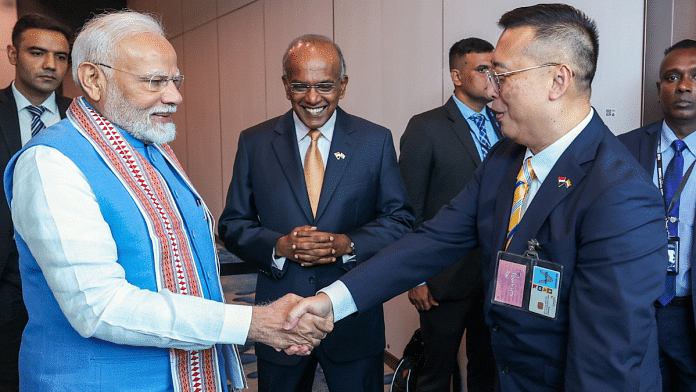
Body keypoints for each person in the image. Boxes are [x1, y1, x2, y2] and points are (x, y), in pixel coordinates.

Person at [288, 4, 668, 391]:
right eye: (488, 75)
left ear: (558, 80)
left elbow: (605, 367)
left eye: (501, 75)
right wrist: (332, 300)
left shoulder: (621, 197)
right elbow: (433, 240)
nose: (491, 91)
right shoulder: (505, 159)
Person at [3, 11, 331, 391]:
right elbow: (99, 307)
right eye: (155, 81)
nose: (175, 97)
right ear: (93, 79)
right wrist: (254, 323)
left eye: (174, 80)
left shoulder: (149, 147)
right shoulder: (50, 163)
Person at [218, 34, 414, 391]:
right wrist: (278, 246)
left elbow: (399, 220)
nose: (312, 98)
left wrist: (347, 244)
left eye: (325, 86)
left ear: (343, 85)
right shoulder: (255, 141)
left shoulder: (375, 140)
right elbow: (232, 224)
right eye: (300, 86)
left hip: (353, 315)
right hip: (280, 320)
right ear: (284, 85)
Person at [399, 37, 498, 392]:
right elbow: (408, 207)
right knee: (435, 375)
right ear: (457, 76)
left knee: (488, 371)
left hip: (496, 276)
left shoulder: (505, 123)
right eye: (483, 69)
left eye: (496, 69)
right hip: (443, 278)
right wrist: (416, 277)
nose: (492, 77)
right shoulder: (426, 127)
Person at [619, 39, 696, 391]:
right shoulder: (622, 149)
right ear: (659, 89)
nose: (683, 86)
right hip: (636, 308)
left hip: (689, 312)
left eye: (695, 76)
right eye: (672, 77)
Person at [0, 14, 72, 391]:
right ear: (13, 53)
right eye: (37, 53)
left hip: (71, 273)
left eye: (61, 57)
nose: (50, 65)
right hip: (6, 276)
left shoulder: (85, 117)